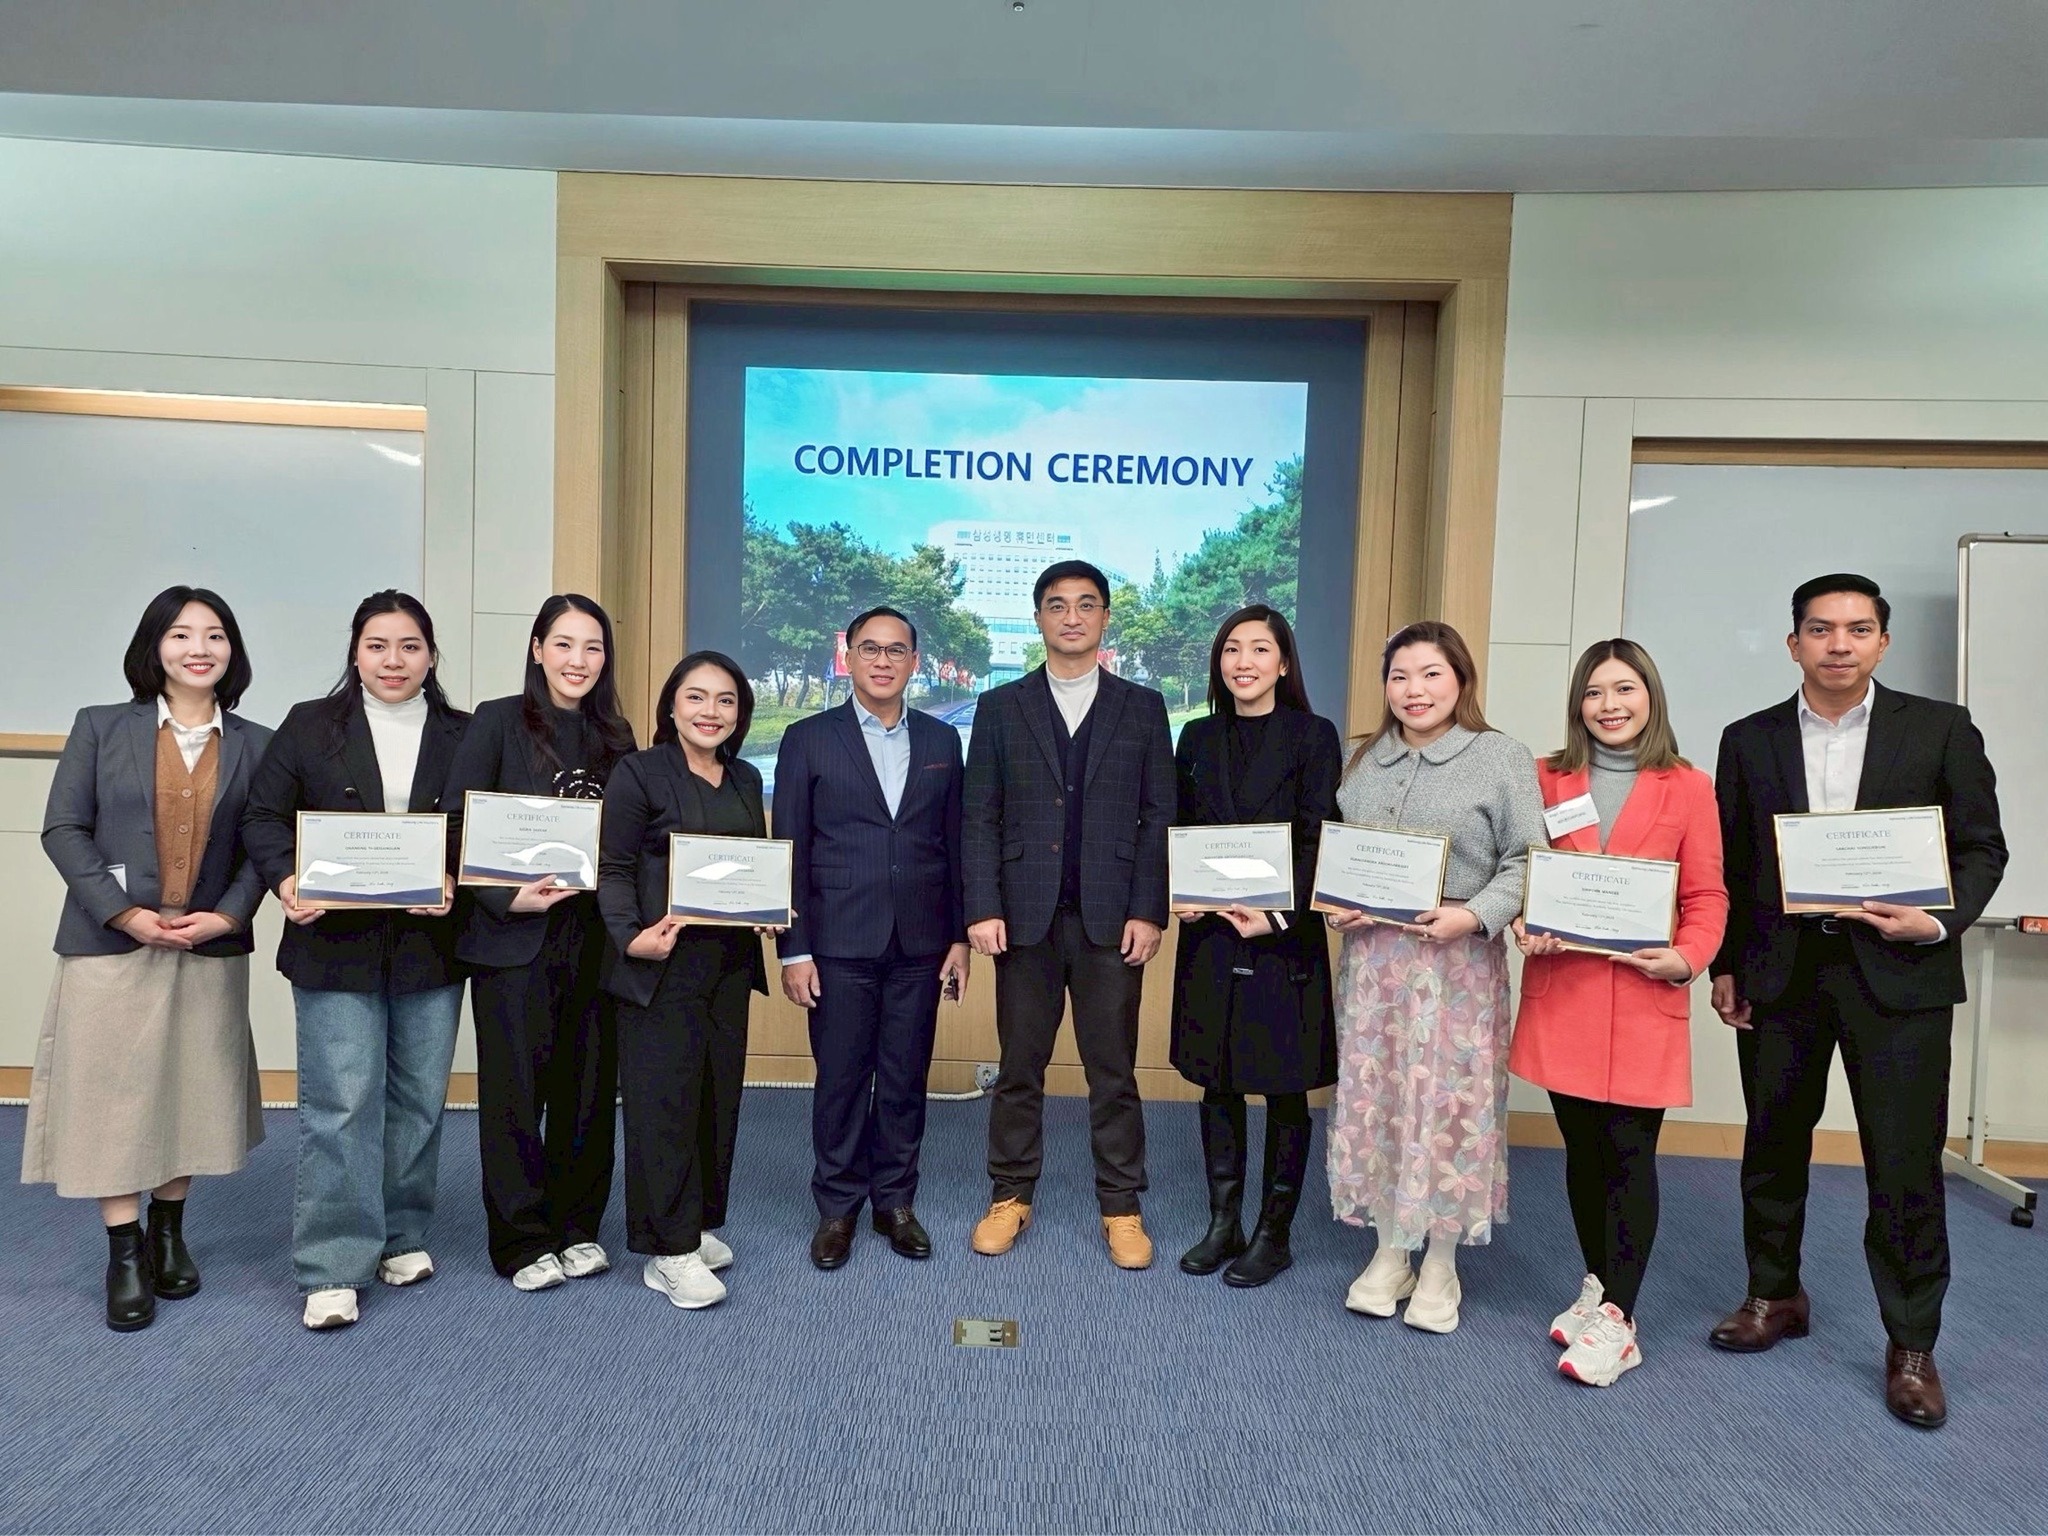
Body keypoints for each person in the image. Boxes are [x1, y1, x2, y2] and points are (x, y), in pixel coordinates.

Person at [1708, 573, 2005, 1430]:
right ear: (1793, 642)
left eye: (1858, 629)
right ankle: (1773, 1293)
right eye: (1821, 629)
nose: (1839, 644)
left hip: (1901, 974)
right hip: (1782, 973)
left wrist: (1936, 920)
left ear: (1882, 641)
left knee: (1904, 1163)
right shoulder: (1748, 739)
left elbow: (1982, 847)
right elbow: (1733, 861)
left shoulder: (1941, 729)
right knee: (1771, 1144)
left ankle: (1912, 1343)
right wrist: (1727, 963)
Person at [25, 587, 272, 1332]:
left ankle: (169, 1232)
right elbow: (64, 828)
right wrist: (125, 913)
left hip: (207, 942)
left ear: (232, 651)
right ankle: (124, 1250)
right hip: (111, 943)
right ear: (154, 647)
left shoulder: (260, 742)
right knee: (113, 1097)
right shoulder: (100, 727)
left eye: (215, 635)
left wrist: (228, 914)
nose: (199, 648)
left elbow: (266, 844)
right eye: (181, 634)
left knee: (191, 1089)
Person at [242, 591, 469, 1332]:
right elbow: (263, 816)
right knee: (341, 1102)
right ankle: (334, 1264)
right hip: (334, 945)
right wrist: (286, 880)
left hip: (430, 944)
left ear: (431, 655)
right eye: (378, 645)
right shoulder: (311, 725)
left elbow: (481, 826)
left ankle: (401, 1234)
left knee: (418, 1099)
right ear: (355, 652)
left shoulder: (465, 732)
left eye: (409, 646)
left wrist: (454, 878)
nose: (393, 660)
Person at [1508, 638, 1727, 1385]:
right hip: (1565, 991)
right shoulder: (1544, 777)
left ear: (1650, 696)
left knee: (1629, 1152)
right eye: (1595, 691)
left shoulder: (1688, 787)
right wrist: (1523, 921)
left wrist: (1688, 957)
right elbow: (1522, 872)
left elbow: (1706, 895)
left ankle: (1621, 1321)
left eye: (1624, 689)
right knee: (1582, 1150)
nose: (1609, 705)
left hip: (1643, 995)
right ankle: (1599, 1284)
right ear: (1578, 703)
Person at [1325, 620, 1545, 1332]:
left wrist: (1475, 915)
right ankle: (1391, 1249)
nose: (1414, 690)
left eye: (1431, 674)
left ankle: (1442, 1261)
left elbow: (1528, 858)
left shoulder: (1500, 756)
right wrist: (1340, 905)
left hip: (1456, 965)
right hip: (1375, 967)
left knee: (1449, 1108)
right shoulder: (1362, 757)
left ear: (1461, 679)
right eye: (1400, 676)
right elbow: (1344, 855)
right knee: (1381, 1100)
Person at [962, 559, 1175, 1269]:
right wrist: (982, 905)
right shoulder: (1001, 706)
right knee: (1019, 1066)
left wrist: (1149, 910)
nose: (1072, 617)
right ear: (1039, 618)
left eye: (1087, 604)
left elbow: (1158, 815)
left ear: (1106, 617)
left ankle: (1122, 1206)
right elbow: (979, 815)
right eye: (1057, 605)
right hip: (1023, 919)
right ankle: (1009, 1194)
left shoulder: (1143, 708)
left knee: (1112, 1069)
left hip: (1111, 921)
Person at [444, 595, 637, 1293]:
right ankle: (522, 1239)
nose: (578, 660)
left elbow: (632, 835)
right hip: (513, 938)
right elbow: (456, 821)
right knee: (515, 1095)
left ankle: (577, 1227)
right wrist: (504, 896)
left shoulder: (617, 735)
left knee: (588, 1090)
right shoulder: (497, 720)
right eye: (563, 644)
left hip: (595, 938)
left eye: (592, 647)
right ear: (536, 649)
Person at [772, 606, 969, 1271]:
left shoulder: (942, 741)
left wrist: (959, 938)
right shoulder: (807, 738)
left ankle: (895, 1203)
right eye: (870, 649)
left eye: (896, 650)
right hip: (836, 941)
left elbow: (954, 843)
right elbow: (790, 847)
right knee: (842, 1081)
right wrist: (794, 947)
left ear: (915, 661)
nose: (883, 661)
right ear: (849, 657)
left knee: (906, 1079)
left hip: (921, 942)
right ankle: (837, 1209)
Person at [1169, 605, 1342, 1288]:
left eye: (1260, 649)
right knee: (1217, 1080)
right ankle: (1224, 1223)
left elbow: (1318, 833)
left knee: (1283, 1087)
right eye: (1232, 649)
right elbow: (1181, 828)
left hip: (1281, 938)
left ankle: (1274, 1234)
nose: (1244, 662)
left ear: (1284, 663)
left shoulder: (1313, 735)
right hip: (1211, 933)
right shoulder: (1197, 735)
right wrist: (1180, 892)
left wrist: (1275, 915)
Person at [598, 651, 773, 1311]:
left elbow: (750, 863)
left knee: (714, 1099)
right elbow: (613, 867)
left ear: (740, 714)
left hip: (726, 965)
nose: (710, 711)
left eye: (726, 700)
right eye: (696, 697)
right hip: (660, 963)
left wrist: (768, 906)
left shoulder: (745, 777)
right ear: (671, 706)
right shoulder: (639, 772)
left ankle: (694, 1225)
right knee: (662, 1104)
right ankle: (667, 1251)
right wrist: (630, 937)